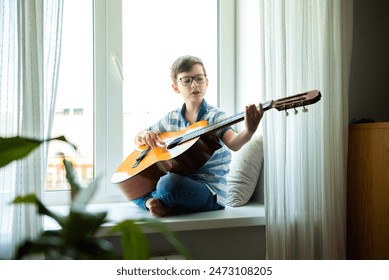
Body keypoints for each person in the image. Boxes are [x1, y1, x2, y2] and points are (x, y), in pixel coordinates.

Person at [131, 55, 263, 216]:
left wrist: (249, 131)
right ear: (176, 87)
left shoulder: (216, 117)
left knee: (168, 183)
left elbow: (234, 143)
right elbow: (138, 138)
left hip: (209, 192)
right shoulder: (171, 118)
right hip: (179, 183)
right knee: (132, 181)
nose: (194, 84)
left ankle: (156, 201)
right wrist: (144, 134)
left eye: (199, 79)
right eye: (186, 80)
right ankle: (154, 202)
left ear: (206, 82)